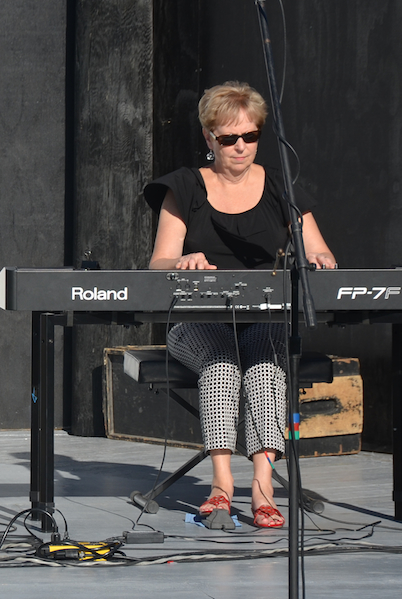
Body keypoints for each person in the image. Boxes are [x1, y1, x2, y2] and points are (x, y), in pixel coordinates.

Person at [144, 81, 336, 528]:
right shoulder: (184, 187)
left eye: (250, 136)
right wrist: (181, 260)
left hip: (261, 319)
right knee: (222, 365)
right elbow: (158, 265)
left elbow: (319, 252)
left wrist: (320, 258)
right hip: (197, 322)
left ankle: (264, 488)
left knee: (266, 368)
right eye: (229, 138)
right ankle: (222, 485)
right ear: (209, 138)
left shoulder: (281, 188)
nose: (241, 147)